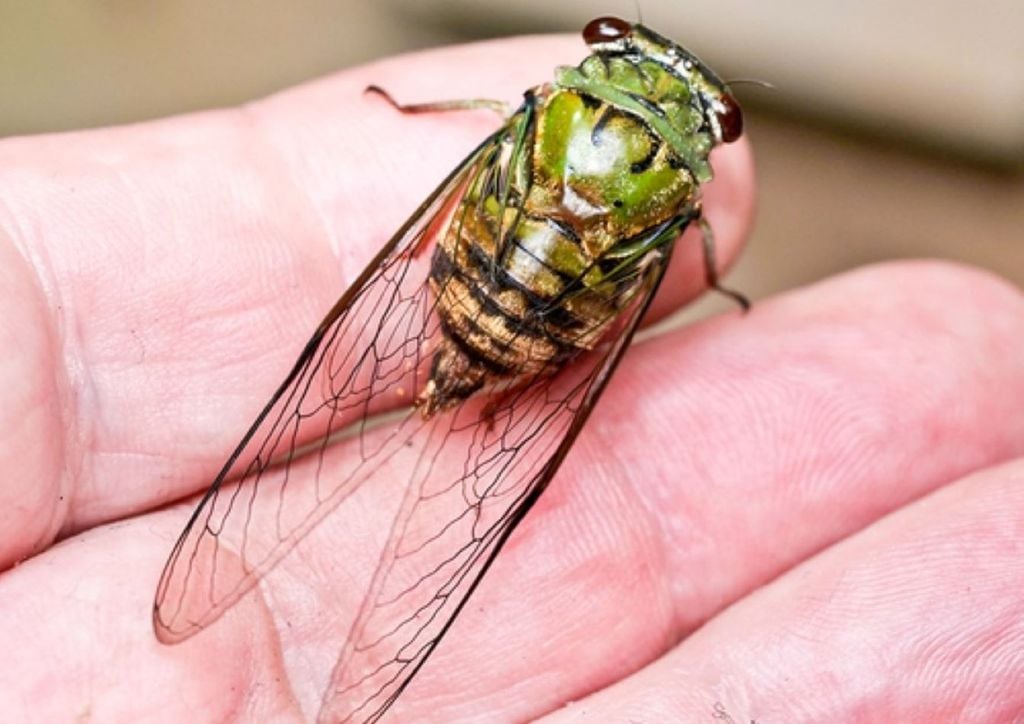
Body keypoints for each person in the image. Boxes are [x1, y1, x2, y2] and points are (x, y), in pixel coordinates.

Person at [1, 34, 1022, 722]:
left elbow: (451, 184)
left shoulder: (539, 108)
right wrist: (694, 282)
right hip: (547, 339)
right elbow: (665, 272)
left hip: (460, 282)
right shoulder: (681, 195)